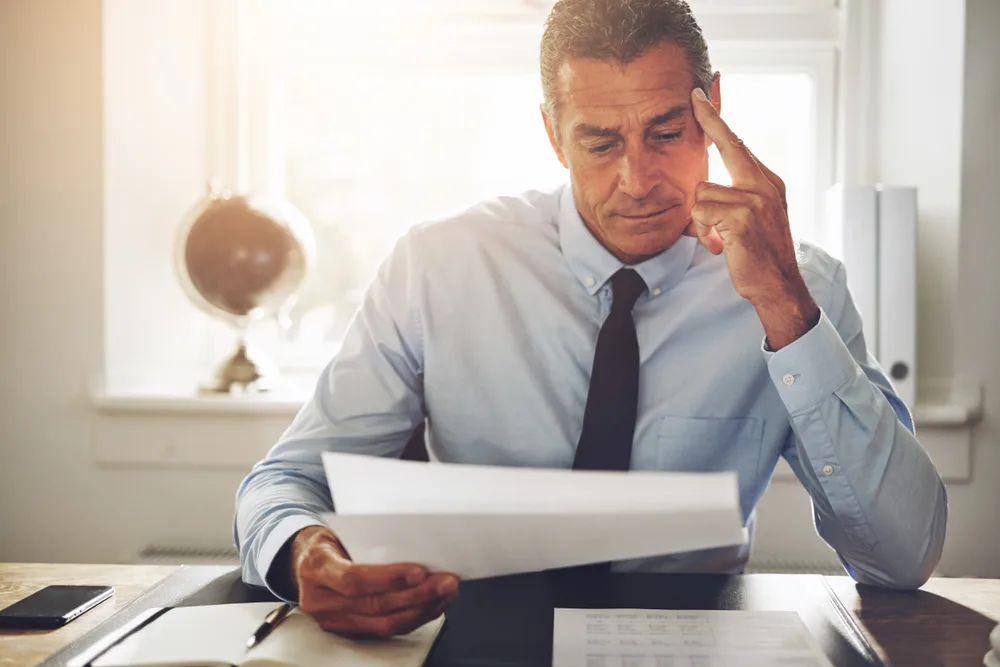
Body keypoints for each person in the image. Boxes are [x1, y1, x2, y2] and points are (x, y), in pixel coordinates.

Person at [234, 0, 947, 638]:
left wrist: (787, 310)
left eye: (667, 132)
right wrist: (304, 554)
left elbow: (904, 556)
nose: (637, 181)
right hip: (474, 634)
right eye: (601, 143)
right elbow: (284, 481)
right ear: (553, 134)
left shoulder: (797, 282)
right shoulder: (438, 266)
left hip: (690, 643)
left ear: (714, 109)